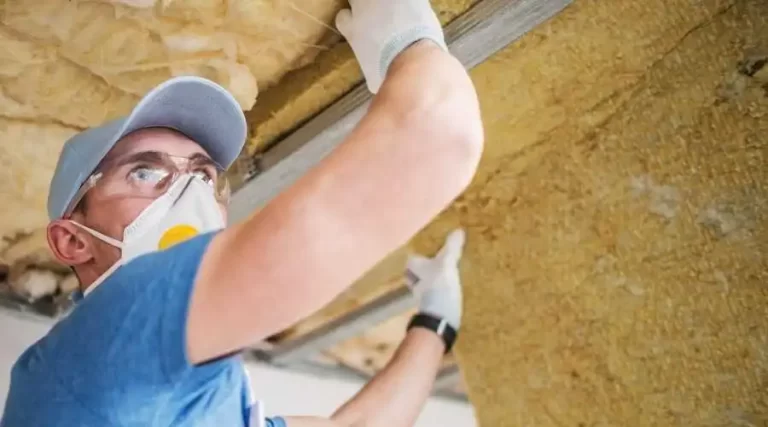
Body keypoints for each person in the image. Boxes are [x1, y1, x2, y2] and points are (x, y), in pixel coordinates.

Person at [0, 0, 483, 425]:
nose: (190, 190)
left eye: (205, 176)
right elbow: (438, 132)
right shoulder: (109, 339)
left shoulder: (191, 393)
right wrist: (404, 43)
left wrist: (436, 322)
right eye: (145, 173)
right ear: (72, 241)